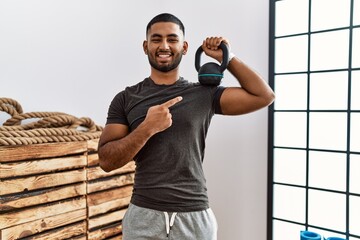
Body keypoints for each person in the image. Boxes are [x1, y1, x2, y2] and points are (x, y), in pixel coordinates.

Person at [98, 13, 275, 240]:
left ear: (184, 47)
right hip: (143, 215)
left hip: (195, 216)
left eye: (172, 39)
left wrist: (228, 58)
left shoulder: (204, 94)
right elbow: (106, 161)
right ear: (145, 46)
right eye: (156, 39)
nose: (164, 45)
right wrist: (147, 128)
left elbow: (264, 95)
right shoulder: (126, 98)